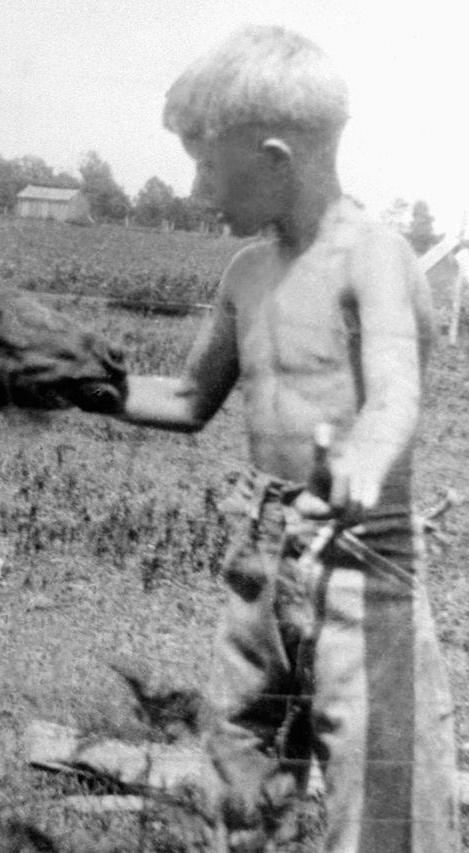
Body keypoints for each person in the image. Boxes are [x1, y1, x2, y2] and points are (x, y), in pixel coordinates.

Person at [118, 26, 458, 853]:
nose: (197, 190)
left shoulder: (372, 259)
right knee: (242, 769)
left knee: (386, 796)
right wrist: (64, 376)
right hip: (259, 555)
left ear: (275, 156)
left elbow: (393, 393)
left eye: (206, 164)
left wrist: (368, 460)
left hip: (357, 556)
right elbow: (189, 396)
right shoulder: (245, 272)